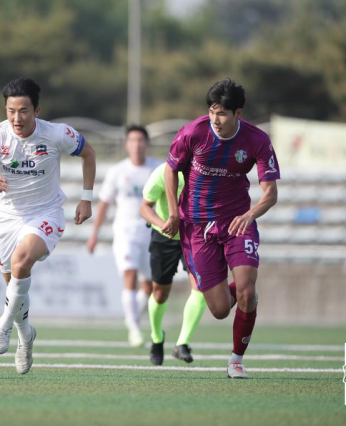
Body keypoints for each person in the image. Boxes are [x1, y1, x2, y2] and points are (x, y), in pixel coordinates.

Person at [0, 77, 96, 374]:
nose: (16, 118)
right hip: (5, 219)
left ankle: (2, 324)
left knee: (21, 262)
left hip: (45, 213)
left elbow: (89, 153)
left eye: (23, 111)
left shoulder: (57, 134)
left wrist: (86, 198)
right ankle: (26, 337)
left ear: (37, 110)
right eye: (11, 111)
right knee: (14, 287)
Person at [162, 78, 280, 379]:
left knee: (247, 290)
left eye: (223, 113)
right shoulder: (193, 132)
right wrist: (174, 213)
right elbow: (170, 169)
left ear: (238, 113)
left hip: (238, 222)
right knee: (218, 309)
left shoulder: (257, 140)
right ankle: (243, 297)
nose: (216, 118)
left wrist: (251, 214)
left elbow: (270, 193)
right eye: (212, 111)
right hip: (197, 226)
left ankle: (236, 359)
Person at [86, 125, 161, 347]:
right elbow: (104, 204)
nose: (137, 145)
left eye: (140, 140)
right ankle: (134, 329)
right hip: (125, 232)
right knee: (129, 276)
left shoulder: (158, 169)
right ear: (127, 144)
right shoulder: (118, 171)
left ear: (146, 144)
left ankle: (133, 320)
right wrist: (94, 235)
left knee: (149, 287)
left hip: (152, 232)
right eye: (132, 140)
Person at [140, 162, 209, 365]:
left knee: (200, 287)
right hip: (164, 237)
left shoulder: (204, 171)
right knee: (160, 294)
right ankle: (156, 337)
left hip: (195, 237)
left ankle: (183, 342)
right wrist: (163, 224)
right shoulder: (162, 172)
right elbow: (144, 207)